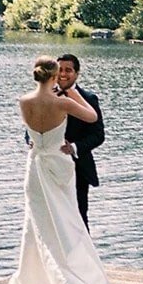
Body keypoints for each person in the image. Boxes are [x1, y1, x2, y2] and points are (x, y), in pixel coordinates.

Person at [6, 56, 115, 284]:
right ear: (54, 75)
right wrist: (71, 96)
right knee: (68, 223)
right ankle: (76, 280)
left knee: (37, 223)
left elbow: (32, 133)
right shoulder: (63, 102)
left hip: (35, 166)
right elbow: (91, 116)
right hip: (59, 164)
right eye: (60, 71)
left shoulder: (24, 101)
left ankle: (36, 280)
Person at [54, 54, 103, 235]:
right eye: (60, 70)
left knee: (79, 216)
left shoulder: (89, 98)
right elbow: (31, 129)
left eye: (68, 70)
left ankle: (85, 261)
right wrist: (33, 141)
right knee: (53, 216)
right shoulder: (46, 95)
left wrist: (73, 147)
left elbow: (98, 135)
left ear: (77, 73)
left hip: (78, 168)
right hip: (50, 166)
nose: (63, 74)